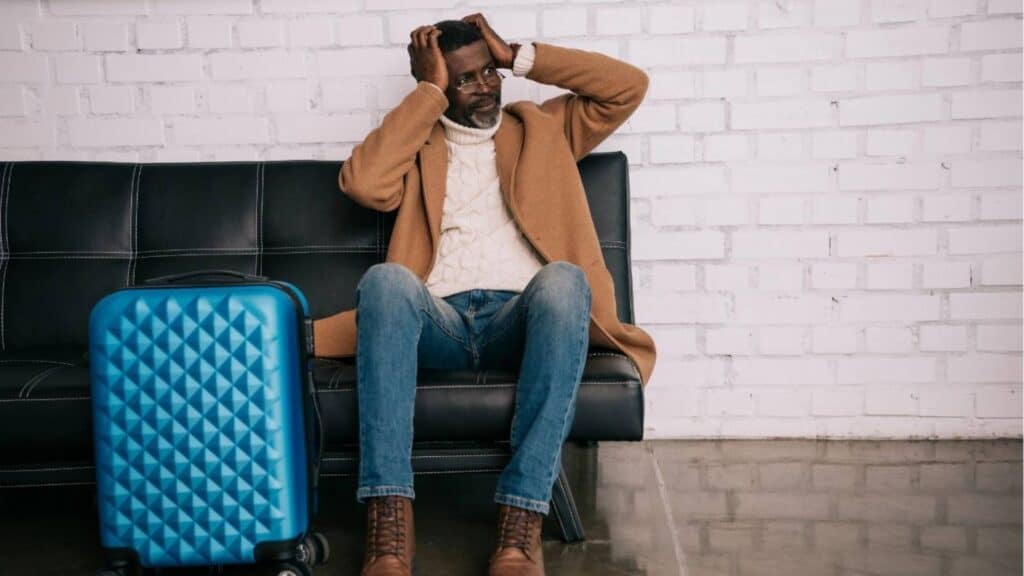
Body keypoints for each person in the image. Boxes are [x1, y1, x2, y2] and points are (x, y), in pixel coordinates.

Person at [312, 13, 657, 576]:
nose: (484, 88)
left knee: (566, 281)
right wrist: (427, 93)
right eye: (464, 80)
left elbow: (628, 87)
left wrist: (517, 54)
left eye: (489, 73)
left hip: (521, 318)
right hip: (440, 322)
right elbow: (363, 184)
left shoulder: (543, 129)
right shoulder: (418, 141)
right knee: (384, 282)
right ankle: (388, 526)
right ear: (438, 86)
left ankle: (521, 524)